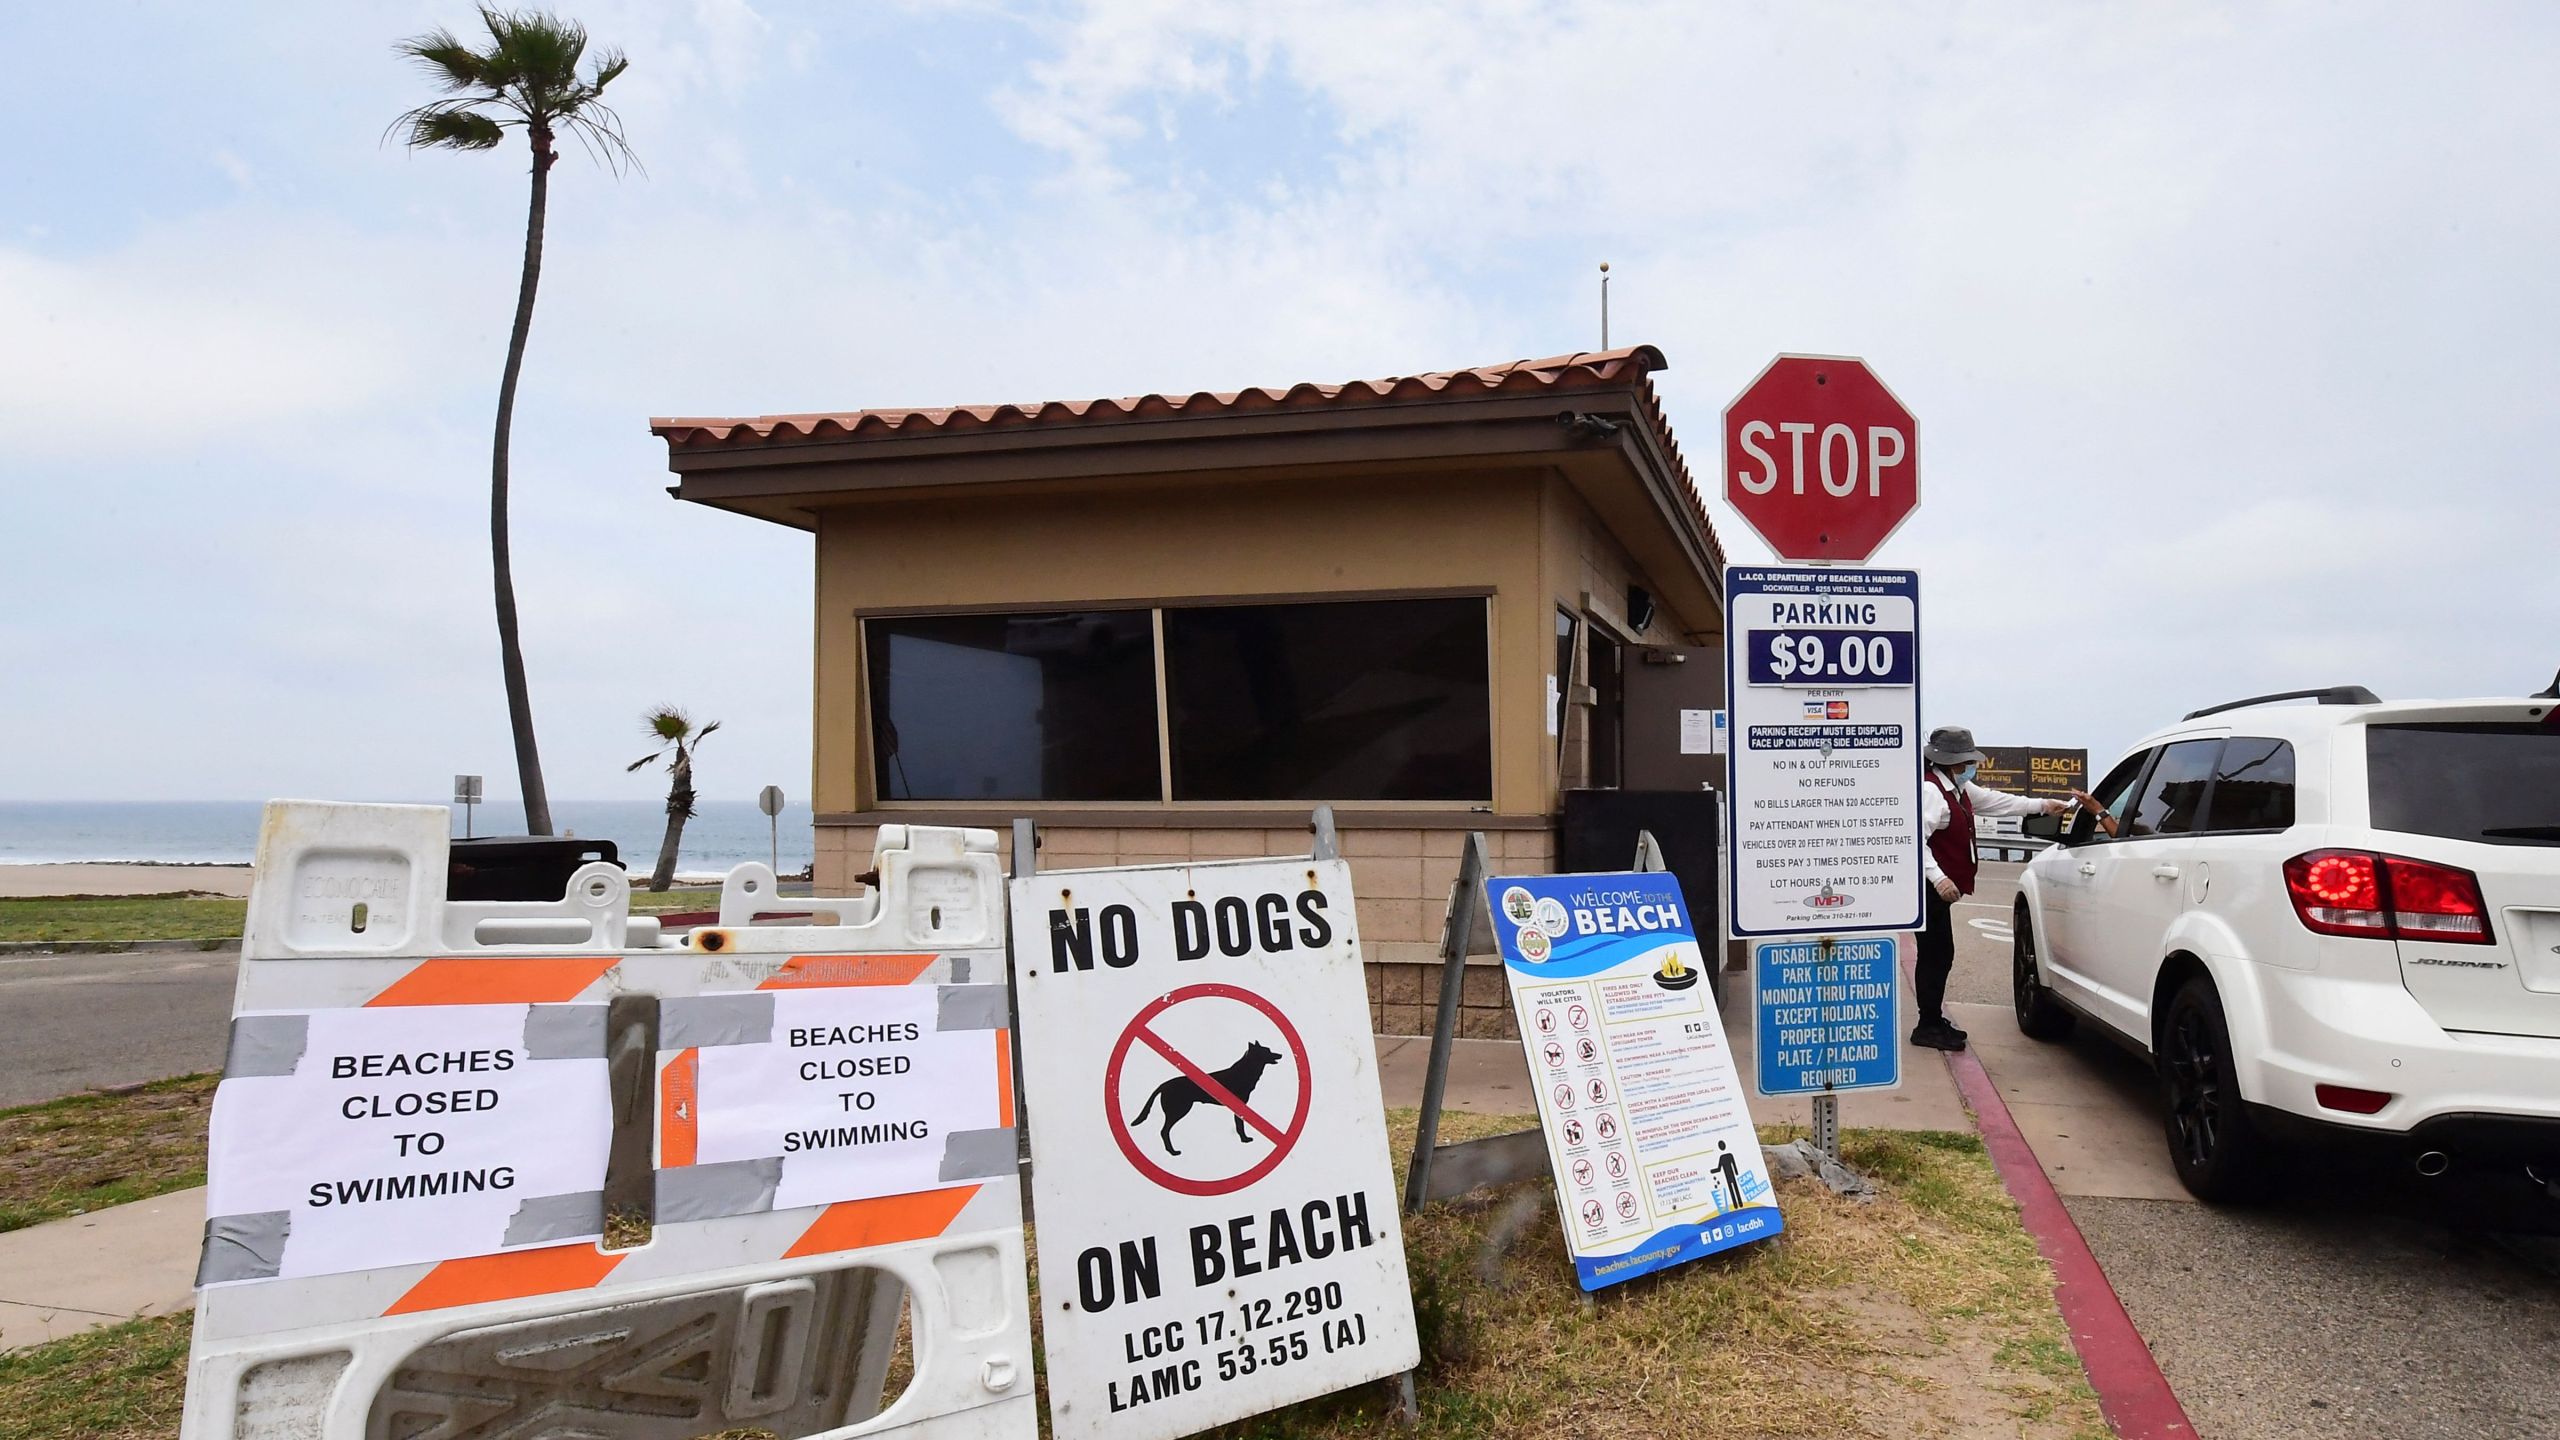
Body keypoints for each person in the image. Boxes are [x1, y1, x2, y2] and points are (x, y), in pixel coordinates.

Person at [1913, 726, 2070, 1051]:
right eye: (1965, 762)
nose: (1971, 767)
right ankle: (1926, 1025)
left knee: (1939, 954)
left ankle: (1931, 1018)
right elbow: (1913, 840)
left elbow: (1999, 803)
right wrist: (1938, 878)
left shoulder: (1958, 789)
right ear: (1949, 763)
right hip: (1929, 890)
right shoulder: (1932, 792)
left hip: (1939, 891)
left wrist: (2043, 805)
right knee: (1936, 955)